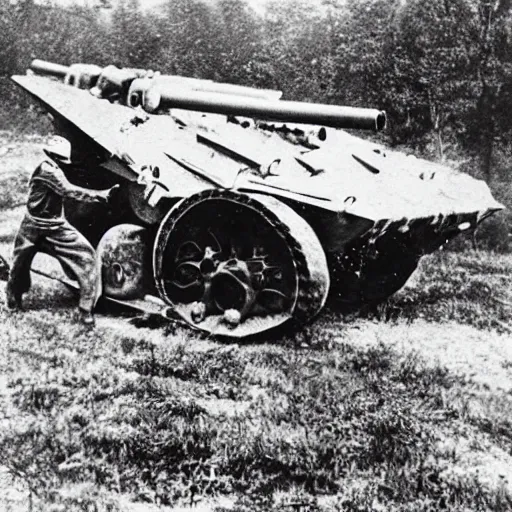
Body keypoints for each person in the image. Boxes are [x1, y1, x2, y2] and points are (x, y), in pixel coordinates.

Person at [6, 136, 119, 326]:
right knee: (19, 266)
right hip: (37, 226)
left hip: (50, 225)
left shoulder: (51, 167)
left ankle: (85, 309)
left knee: (85, 257)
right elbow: (69, 191)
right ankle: (13, 298)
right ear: (55, 157)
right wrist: (102, 196)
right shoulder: (48, 171)